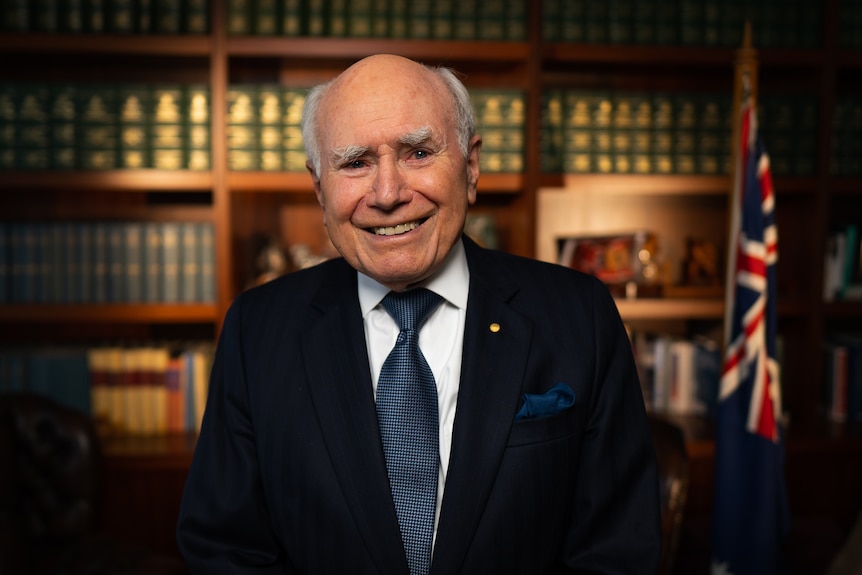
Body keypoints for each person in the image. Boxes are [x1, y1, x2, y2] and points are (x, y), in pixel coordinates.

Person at [176, 54, 662, 574]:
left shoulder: (579, 317)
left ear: (470, 167)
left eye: (418, 153)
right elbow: (224, 551)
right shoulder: (257, 330)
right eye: (355, 162)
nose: (388, 194)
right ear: (320, 189)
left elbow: (617, 552)